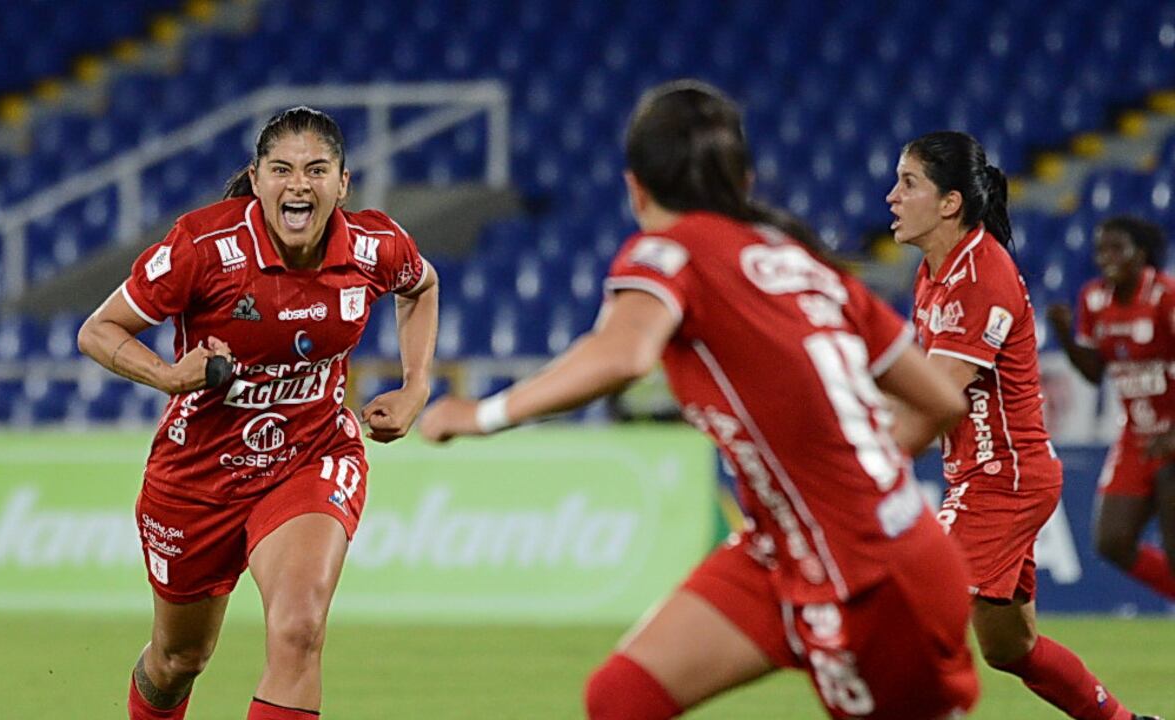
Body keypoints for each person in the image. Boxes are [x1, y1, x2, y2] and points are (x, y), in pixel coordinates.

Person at [421, 79, 980, 720]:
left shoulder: (671, 249)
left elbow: (623, 354)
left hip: (872, 576)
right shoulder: (802, 263)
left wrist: (482, 415)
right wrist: (845, 468)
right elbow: (939, 399)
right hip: (787, 550)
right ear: (740, 180)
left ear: (635, 186)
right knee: (623, 696)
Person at [77, 106, 438, 720]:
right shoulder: (203, 246)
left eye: (317, 170)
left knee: (299, 630)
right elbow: (98, 329)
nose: (299, 184)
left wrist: (415, 387)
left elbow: (421, 286)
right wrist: (170, 375)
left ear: (343, 184)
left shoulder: (376, 245)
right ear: (258, 178)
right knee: (178, 659)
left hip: (311, 454)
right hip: (198, 475)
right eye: (282, 169)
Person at [887, 131, 1157, 720]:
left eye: (908, 183)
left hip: (1001, 480)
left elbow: (932, 399)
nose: (891, 197)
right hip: (983, 477)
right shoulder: (934, 274)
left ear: (950, 202)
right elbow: (928, 395)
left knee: (902, 618)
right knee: (1011, 647)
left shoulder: (982, 274)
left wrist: (852, 458)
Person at [1048, 216, 1175, 601]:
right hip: (1135, 436)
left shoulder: (1165, 296)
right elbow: (1093, 373)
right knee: (1111, 540)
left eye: (1117, 248)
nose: (1106, 258)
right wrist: (1066, 337)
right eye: (1101, 249)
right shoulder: (1094, 299)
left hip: (1171, 434)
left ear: (1142, 254)